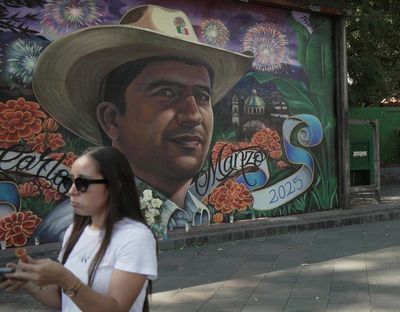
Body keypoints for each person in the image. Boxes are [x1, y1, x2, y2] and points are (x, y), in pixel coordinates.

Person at [32, 4, 254, 240]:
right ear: (112, 119)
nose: (194, 116)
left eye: (202, 96)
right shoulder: (81, 228)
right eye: (167, 92)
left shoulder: (195, 213)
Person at [0, 146, 157, 312]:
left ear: (114, 186)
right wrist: (29, 282)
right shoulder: (75, 231)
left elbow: (116, 308)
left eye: (82, 184)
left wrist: (65, 279)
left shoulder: (135, 236)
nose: (71, 191)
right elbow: (64, 300)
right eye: (69, 182)